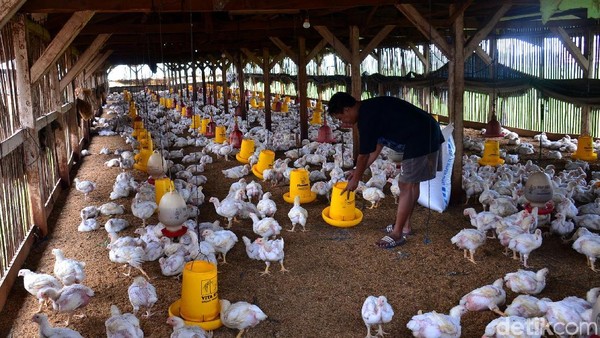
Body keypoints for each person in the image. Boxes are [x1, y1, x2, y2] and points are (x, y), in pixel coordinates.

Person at [327, 92, 444, 248]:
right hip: (426, 131)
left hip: (421, 137)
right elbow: (376, 147)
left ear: (347, 109)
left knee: (406, 185)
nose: (343, 122)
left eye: (341, 118)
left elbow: (363, 155)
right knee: (410, 184)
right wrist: (357, 171)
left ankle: (397, 234)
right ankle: (405, 227)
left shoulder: (366, 117)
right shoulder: (369, 109)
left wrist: (356, 179)